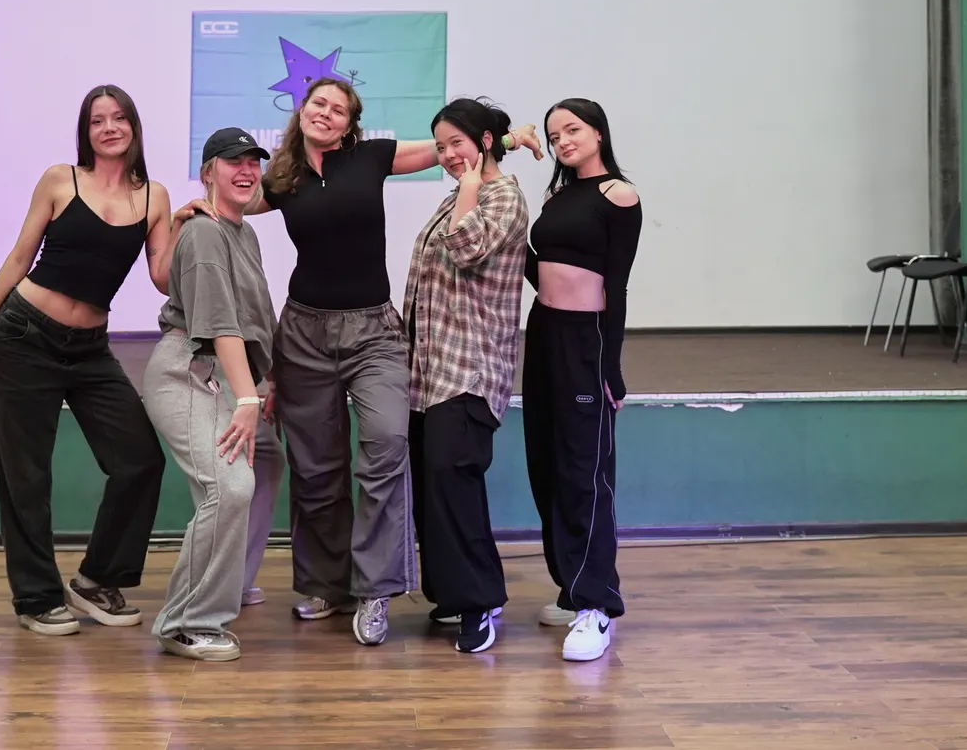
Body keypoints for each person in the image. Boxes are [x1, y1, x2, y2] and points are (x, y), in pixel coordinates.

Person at [207, 77, 541, 647]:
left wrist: (508, 138)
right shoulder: (282, 177)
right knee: (315, 469)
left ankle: (376, 590)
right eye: (319, 104)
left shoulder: (371, 157)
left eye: (339, 109)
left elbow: (449, 150)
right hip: (303, 333)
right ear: (302, 110)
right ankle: (327, 586)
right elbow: (235, 204)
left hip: (374, 332)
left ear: (350, 123)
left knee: (387, 444)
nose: (327, 114)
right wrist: (201, 207)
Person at [0, 84, 171, 637]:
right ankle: (36, 597)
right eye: (97, 120)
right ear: (86, 132)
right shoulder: (61, 180)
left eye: (118, 118)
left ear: (134, 126)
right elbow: (20, 255)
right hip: (23, 335)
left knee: (139, 459)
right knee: (26, 476)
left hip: (89, 350)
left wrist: (196, 223)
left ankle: (97, 579)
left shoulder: (154, 197)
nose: (109, 128)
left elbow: (162, 276)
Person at [142, 127, 284, 662]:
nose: (246, 170)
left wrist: (266, 382)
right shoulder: (204, 232)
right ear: (208, 173)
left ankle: (230, 581)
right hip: (190, 368)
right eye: (233, 162)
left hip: (228, 372)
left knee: (265, 460)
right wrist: (248, 400)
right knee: (230, 485)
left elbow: (256, 317)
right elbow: (221, 324)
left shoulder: (242, 233)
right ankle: (186, 621)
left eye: (253, 162)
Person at [403, 98, 529, 654]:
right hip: (430, 372)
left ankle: (480, 602)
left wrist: (473, 184)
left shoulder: (502, 196)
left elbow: (467, 248)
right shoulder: (461, 194)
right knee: (433, 486)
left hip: (471, 369)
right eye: (441, 146)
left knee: (454, 483)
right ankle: (455, 594)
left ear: (484, 142)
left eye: (457, 142)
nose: (448, 154)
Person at [522, 97, 642, 662]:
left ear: (597, 132)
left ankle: (597, 605)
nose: (563, 141)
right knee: (545, 464)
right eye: (554, 135)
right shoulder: (555, 196)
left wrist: (610, 364)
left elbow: (617, 285)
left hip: (585, 340)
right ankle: (570, 588)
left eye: (572, 130)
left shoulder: (619, 195)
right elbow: (539, 268)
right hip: (543, 332)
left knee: (584, 470)